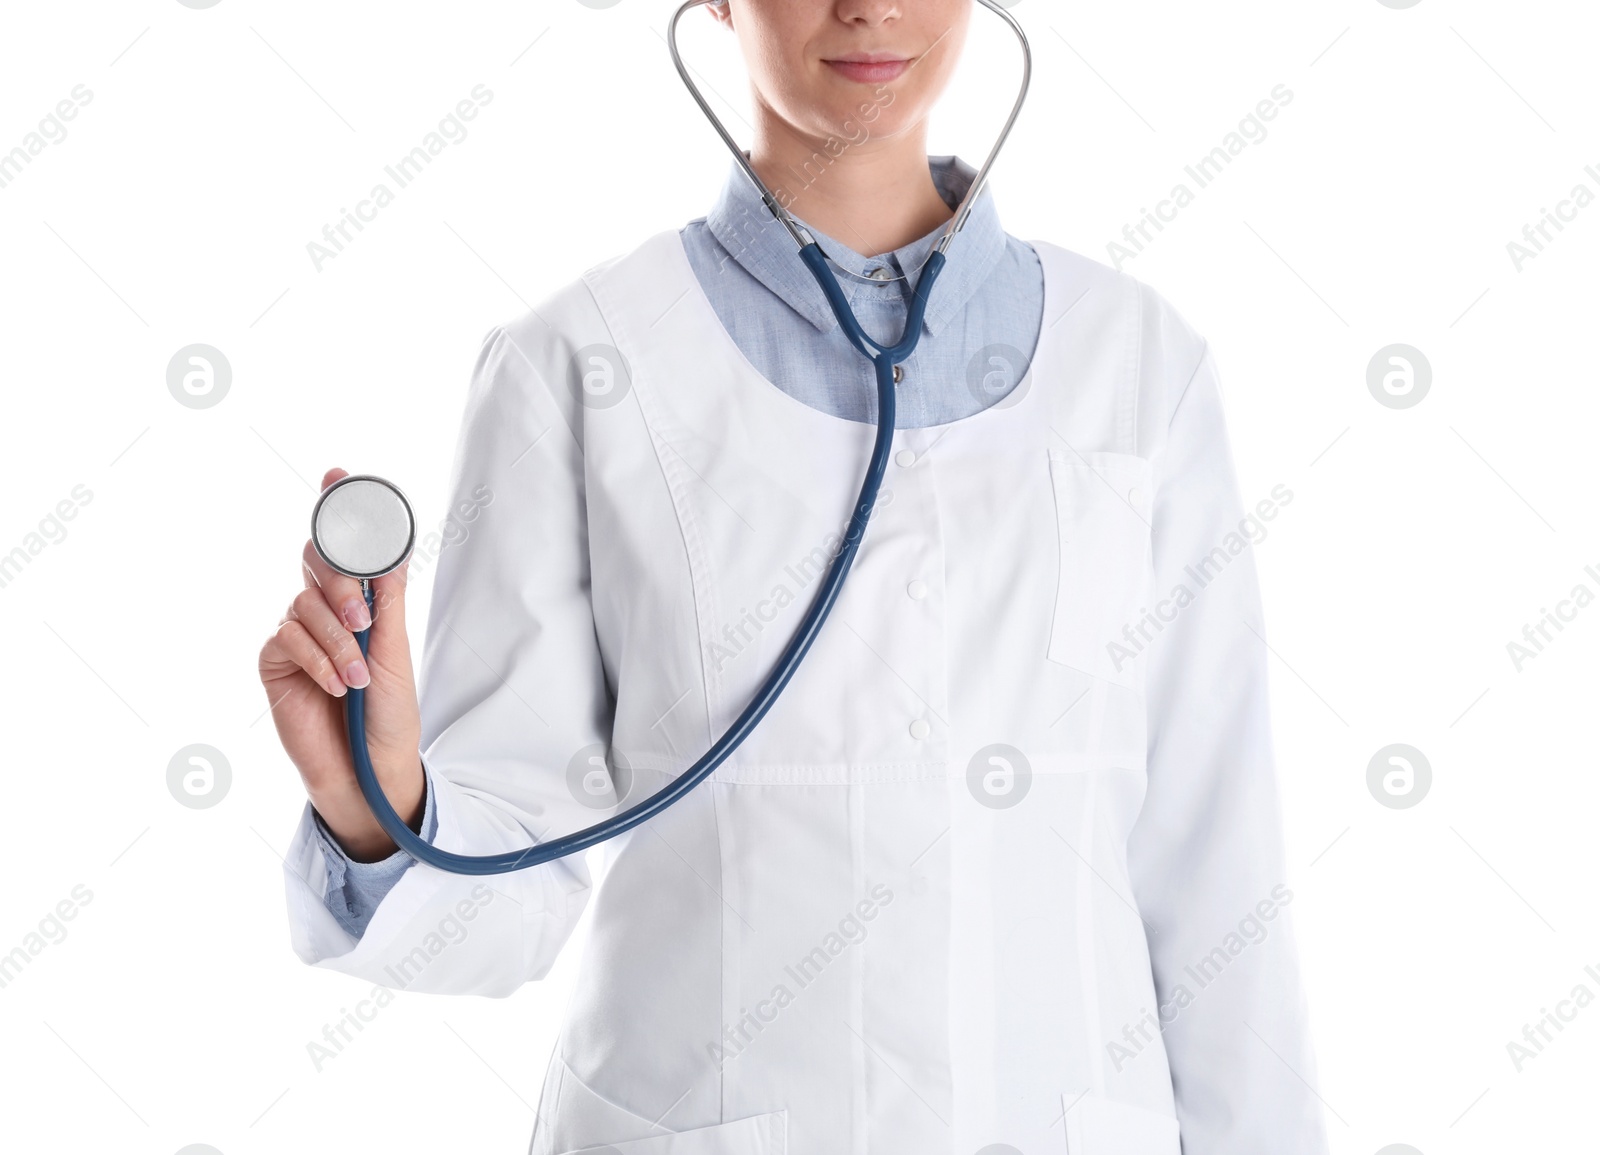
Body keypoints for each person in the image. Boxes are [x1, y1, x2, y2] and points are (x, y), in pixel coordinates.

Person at [257, 2, 1329, 1152]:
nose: (869, 6)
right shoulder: (576, 363)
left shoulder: (1140, 365)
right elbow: (504, 890)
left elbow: (1219, 873)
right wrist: (381, 806)